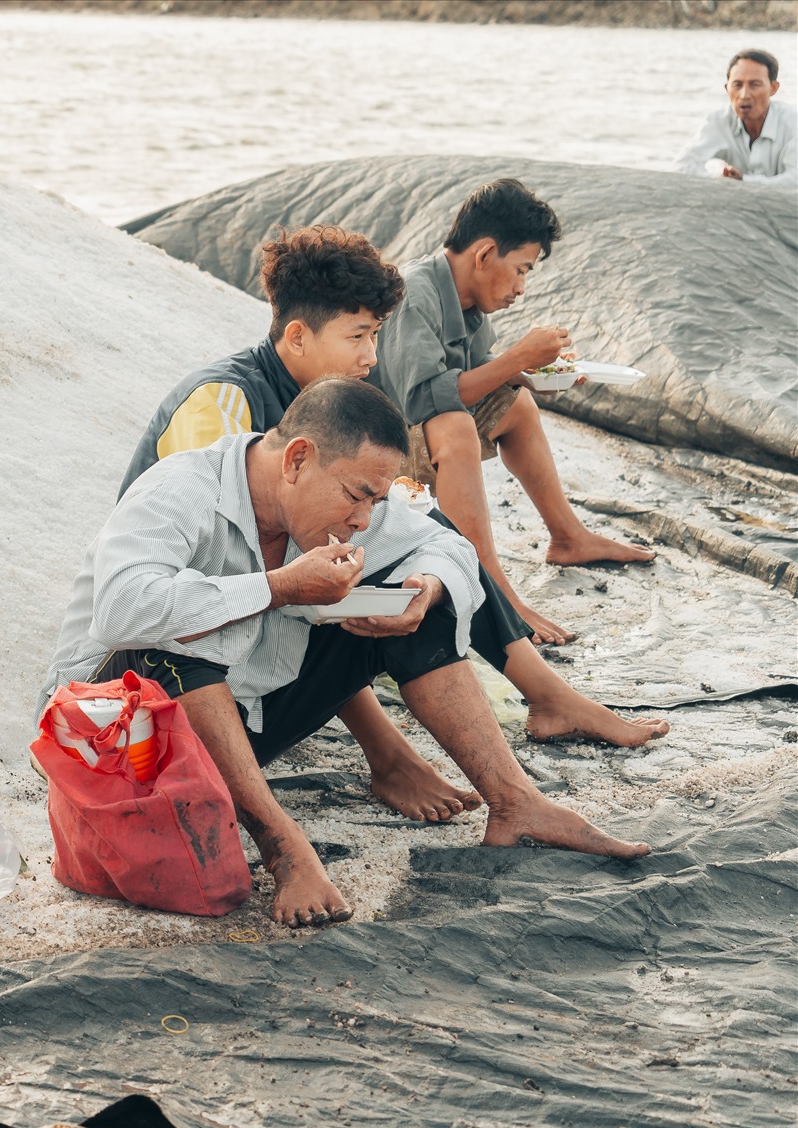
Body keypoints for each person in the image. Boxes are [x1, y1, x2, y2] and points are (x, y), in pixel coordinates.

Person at [45, 377, 648, 928]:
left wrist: (425, 590)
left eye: (375, 503)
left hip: (240, 726)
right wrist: (279, 587)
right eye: (357, 496)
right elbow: (121, 608)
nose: (363, 519)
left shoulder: (358, 508)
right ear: (299, 459)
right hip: (118, 737)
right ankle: (285, 850)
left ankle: (515, 802)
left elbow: (451, 549)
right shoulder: (181, 490)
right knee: (175, 647)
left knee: (415, 613)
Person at [121, 227, 665, 823]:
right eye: (357, 336)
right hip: (191, 666)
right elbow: (223, 571)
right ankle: (396, 753)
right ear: (297, 337)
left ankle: (534, 720)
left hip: (262, 622)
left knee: (421, 554)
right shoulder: (224, 407)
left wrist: (413, 567)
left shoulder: (327, 399)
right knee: (374, 568)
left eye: (375, 335)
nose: (371, 356)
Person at [370, 179, 652, 648]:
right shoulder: (416, 293)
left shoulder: (466, 300)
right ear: (484, 254)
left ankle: (568, 537)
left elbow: (478, 373)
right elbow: (422, 400)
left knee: (516, 404)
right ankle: (490, 587)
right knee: (456, 425)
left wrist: (536, 373)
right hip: (384, 450)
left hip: (419, 431)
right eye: (521, 270)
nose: (521, 288)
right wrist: (516, 359)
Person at [675, 50, 794, 185]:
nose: (744, 95)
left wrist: (742, 181)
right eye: (737, 85)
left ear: (773, 88)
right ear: (727, 89)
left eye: (754, 85)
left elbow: (795, 180)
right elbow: (682, 167)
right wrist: (720, 181)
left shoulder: (793, 123)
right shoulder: (719, 121)